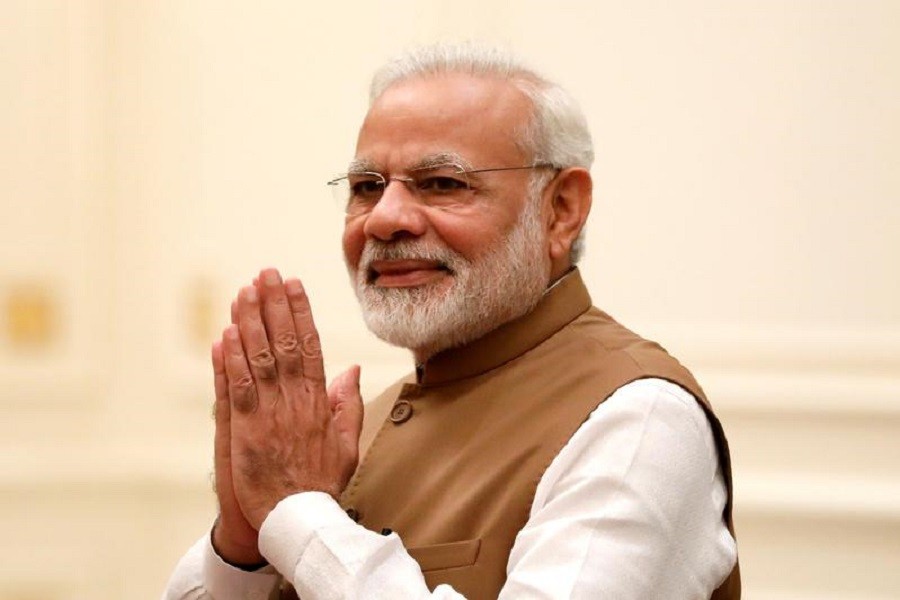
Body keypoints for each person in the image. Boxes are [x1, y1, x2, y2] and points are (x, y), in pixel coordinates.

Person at [164, 43, 740, 599]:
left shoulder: (639, 421)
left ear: (560, 210)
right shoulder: (363, 425)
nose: (384, 219)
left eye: (442, 183)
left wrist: (299, 515)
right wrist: (244, 546)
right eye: (367, 187)